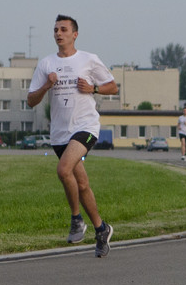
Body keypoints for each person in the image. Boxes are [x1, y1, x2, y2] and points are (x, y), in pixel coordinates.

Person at [26, 14, 119, 257]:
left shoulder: (88, 59)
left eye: (64, 29)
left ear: (74, 34)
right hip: (60, 134)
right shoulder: (46, 64)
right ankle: (101, 229)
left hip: (86, 127)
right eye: (56, 29)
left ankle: (77, 220)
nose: (58, 33)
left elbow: (112, 86)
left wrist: (93, 88)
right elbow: (31, 101)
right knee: (82, 184)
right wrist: (46, 86)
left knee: (63, 170)